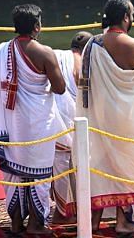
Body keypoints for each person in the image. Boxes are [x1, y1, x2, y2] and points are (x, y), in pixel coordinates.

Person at [76, 0, 134, 234]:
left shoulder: (91, 44)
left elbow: (83, 83)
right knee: (126, 170)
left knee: (100, 168)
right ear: (125, 17)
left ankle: (92, 223)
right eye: (131, 15)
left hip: (100, 117)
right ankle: (123, 222)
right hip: (129, 121)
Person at [0, 4, 66, 235]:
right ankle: (35, 226)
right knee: (38, 174)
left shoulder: (0, 52)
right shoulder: (44, 53)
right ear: (37, 27)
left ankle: (17, 223)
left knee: (15, 174)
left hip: (10, 122)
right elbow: (60, 88)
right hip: (38, 122)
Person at [51, 31, 92, 223]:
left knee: (60, 163)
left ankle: (63, 209)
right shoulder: (85, 62)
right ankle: (63, 213)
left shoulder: (55, 55)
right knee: (69, 160)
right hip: (70, 119)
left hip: (50, 118)